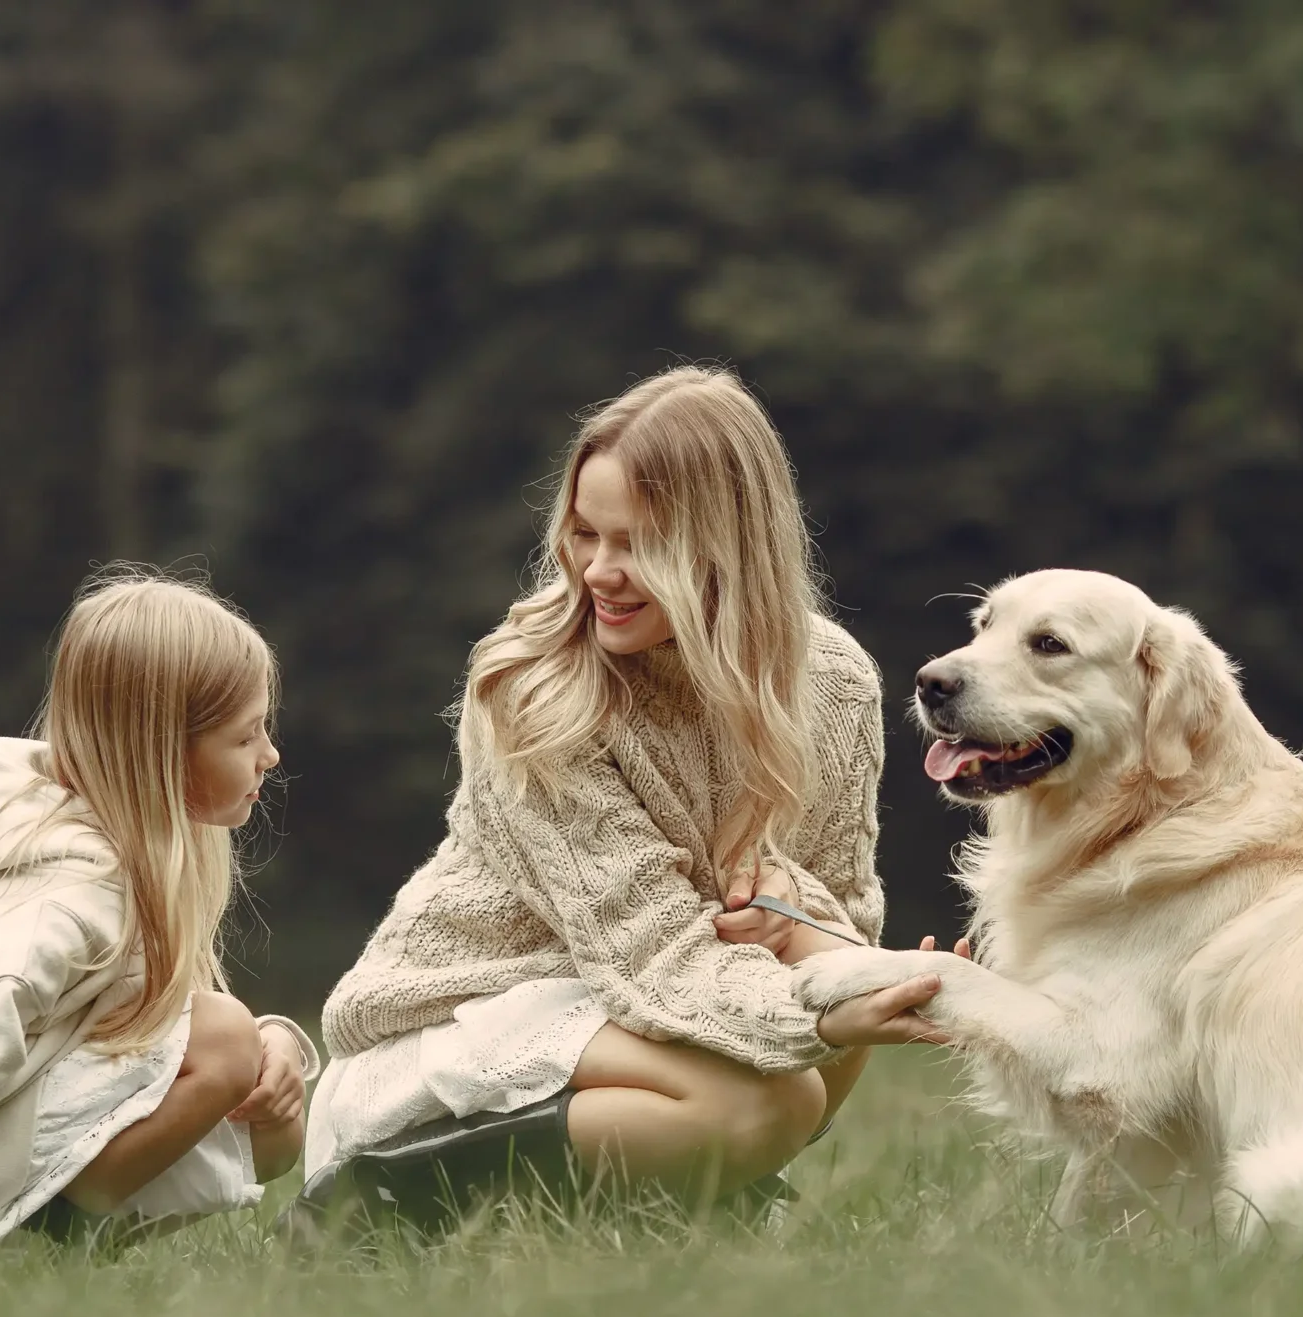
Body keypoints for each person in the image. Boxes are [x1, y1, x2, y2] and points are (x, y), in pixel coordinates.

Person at [300, 365, 948, 1231]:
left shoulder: (831, 681)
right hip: (471, 1028)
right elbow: (650, 954)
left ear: (730, 545)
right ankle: (375, 1203)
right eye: (584, 534)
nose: (600, 571)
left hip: (647, 1018)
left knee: (827, 1029)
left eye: (639, 544)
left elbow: (843, 918)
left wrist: (800, 920)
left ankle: (653, 1211)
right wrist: (830, 1010)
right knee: (781, 1085)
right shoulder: (538, 690)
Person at [0, 570, 317, 1252]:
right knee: (224, 1041)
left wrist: (269, 1050)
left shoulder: (132, 862)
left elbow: (157, 1031)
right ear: (163, 749)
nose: (270, 755)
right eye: (245, 738)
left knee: (270, 1117)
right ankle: (45, 1246)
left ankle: (47, 1235)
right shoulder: (61, 892)